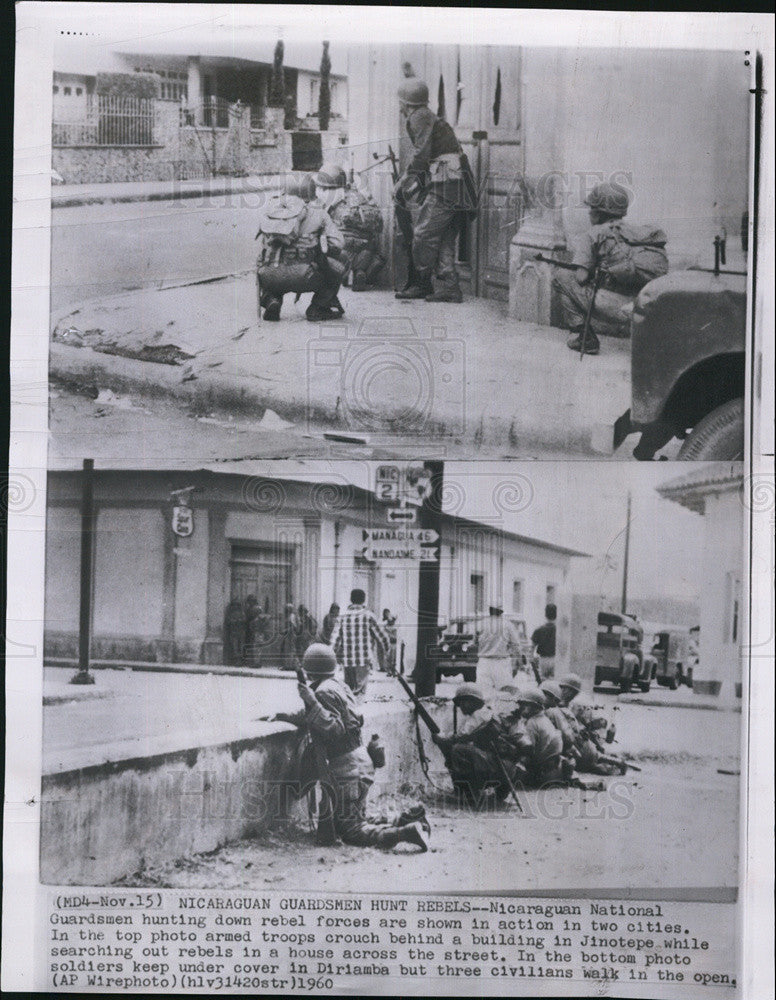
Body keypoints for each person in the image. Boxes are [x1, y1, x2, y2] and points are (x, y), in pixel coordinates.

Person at [273, 644, 429, 851]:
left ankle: (405, 833)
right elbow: (328, 717)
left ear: (310, 671)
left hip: (346, 769)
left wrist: (310, 699)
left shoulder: (321, 693)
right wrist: (284, 715)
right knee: (356, 816)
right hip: (359, 762)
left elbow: (334, 728)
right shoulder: (339, 686)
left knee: (351, 830)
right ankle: (407, 818)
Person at [553, 181, 668, 355]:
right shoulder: (636, 233)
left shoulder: (594, 234)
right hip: (644, 305)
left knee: (561, 276)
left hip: (613, 308)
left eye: (592, 208)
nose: (590, 212)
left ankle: (582, 336)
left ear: (599, 213)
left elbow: (581, 278)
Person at [394, 78, 470, 303]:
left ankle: (421, 282)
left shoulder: (419, 116)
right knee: (444, 236)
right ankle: (449, 287)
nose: (399, 107)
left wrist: (403, 182)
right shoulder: (427, 115)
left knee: (423, 233)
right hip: (454, 181)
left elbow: (421, 155)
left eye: (401, 103)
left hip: (446, 182)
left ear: (406, 104)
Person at [255, 181, 346, 323]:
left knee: (272, 267)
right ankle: (317, 308)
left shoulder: (272, 212)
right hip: (304, 277)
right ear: (311, 195)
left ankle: (272, 300)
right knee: (338, 267)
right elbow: (338, 243)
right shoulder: (319, 213)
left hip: (269, 276)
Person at [312, 163, 386, 291]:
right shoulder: (361, 196)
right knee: (369, 248)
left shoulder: (330, 197)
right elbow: (378, 224)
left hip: (342, 248)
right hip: (365, 248)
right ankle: (360, 272)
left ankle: (343, 273)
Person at [432, 683, 507, 806]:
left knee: (458, 750)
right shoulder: (486, 712)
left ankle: (469, 794)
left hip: (492, 764)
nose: (460, 707)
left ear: (471, 701)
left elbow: (462, 735)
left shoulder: (478, 715)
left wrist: (442, 740)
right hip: (499, 763)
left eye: (462, 703)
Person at [327, 588, 391, 698]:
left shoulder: (342, 616)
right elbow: (383, 636)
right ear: (364, 600)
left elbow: (335, 640)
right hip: (363, 661)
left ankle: (350, 712)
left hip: (347, 662)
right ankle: (356, 712)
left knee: (349, 693)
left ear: (351, 599)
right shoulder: (369, 616)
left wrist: (329, 656)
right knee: (360, 694)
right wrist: (387, 650)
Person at [558, 673, 624, 776]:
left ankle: (612, 762)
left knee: (588, 759)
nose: (563, 691)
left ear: (571, 691)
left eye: (565, 688)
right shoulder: (568, 703)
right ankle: (613, 762)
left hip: (586, 742)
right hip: (586, 741)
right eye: (562, 688)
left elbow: (591, 725)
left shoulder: (576, 704)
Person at [499, 688, 563, 787]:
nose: (520, 707)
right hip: (554, 771)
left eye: (524, 704)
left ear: (534, 706)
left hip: (541, 774)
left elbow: (528, 750)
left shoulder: (531, 723)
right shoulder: (544, 720)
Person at [476, 605, 521, 694]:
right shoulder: (507, 624)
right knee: (505, 694)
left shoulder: (480, 624)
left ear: (490, 611)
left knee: (484, 694)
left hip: (484, 663)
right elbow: (516, 645)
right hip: (501, 663)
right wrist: (518, 661)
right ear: (501, 612)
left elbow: (475, 642)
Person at [531, 603, 557, 680]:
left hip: (543, 659)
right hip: (556, 659)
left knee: (544, 681)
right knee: (555, 681)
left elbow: (532, 647)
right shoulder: (559, 631)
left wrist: (531, 659)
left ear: (545, 614)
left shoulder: (539, 630)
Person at [223, 598, 246, 666]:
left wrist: (239, 620)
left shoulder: (242, 613)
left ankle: (240, 660)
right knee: (234, 647)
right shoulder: (231, 613)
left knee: (241, 646)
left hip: (241, 632)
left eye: (237, 605)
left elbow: (244, 620)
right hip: (234, 632)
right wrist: (234, 621)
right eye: (234, 605)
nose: (236, 606)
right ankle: (235, 661)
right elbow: (228, 621)